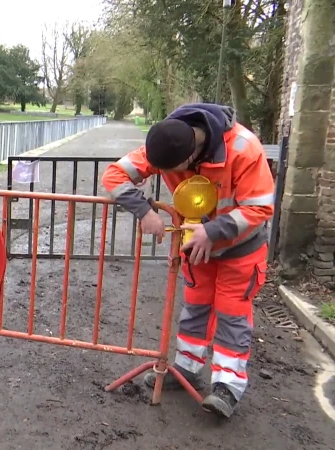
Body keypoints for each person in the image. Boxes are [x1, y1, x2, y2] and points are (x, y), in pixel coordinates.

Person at [101, 103, 275, 418]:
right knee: (194, 309)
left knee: (232, 315)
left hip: (240, 248)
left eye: (171, 170)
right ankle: (187, 369)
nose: (167, 176)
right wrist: (144, 210)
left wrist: (213, 230)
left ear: (192, 154)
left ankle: (227, 387)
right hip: (197, 247)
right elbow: (114, 175)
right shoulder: (168, 140)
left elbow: (259, 208)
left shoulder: (244, 149)